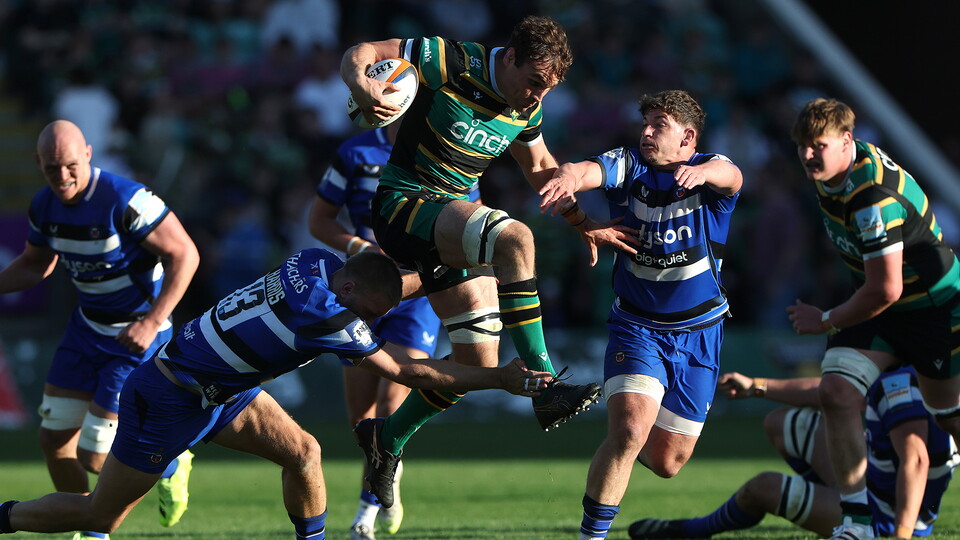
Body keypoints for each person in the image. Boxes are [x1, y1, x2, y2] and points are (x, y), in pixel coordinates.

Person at [0, 249, 552, 538]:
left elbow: (381, 280)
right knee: (100, 517)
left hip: (221, 389)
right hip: (167, 397)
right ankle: (5, 516)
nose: (365, 324)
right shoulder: (327, 316)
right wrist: (498, 377)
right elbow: (410, 373)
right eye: (365, 314)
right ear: (350, 292)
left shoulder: (317, 264)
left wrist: (456, 266)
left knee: (305, 453)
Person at [341, 15, 604, 507]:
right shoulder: (453, 60)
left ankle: (386, 440)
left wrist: (582, 221)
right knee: (516, 239)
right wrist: (360, 83)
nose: (536, 98)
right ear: (509, 59)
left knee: (476, 365)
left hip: (448, 227)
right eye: (533, 83)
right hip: (405, 205)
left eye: (547, 90)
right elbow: (363, 51)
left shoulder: (528, 108)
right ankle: (546, 383)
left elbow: (542, 169)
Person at [538, 89, 743, 540]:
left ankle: (626, 444)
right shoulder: (629, 165)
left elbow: (732, 175)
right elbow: (588, 168)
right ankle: (592, 535)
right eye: (645, 123)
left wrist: (703, 171)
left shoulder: (708, 174)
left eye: (660, 124)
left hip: (700, 334)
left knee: (668, 462)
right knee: (630, 429)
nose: (647, 132)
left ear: (688, 137)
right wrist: (569, 178)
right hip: (638, 328)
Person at [0, 120, 200, 539]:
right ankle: (89, 529)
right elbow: (37, 265)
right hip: (85, 331)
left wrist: (150, 322)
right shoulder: (44, 206)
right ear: (38, 163)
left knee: (95, 456)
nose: (63, 176)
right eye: (52, 168)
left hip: (136, 335)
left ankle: (172, 460)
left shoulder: (126, 199)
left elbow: (186, 254)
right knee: (54, 441)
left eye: (71, 165)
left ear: (88, 154)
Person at [786, 98, 960, 540]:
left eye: (818, 145)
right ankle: (858, 524)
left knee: (949, 419)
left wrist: (825, 320)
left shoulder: (872, 197)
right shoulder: (832, 168)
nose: (809, 154)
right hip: (879, 303)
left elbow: (887, 289)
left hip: (931, 308)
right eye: (802, 146)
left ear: (847, 141)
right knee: (837, 392)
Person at [308, 122, 471, 539]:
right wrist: (362, 250)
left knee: (391, 398)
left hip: (415, 294)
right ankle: (387, 473)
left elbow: (472, 227)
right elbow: (319, 220)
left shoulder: (448, 148)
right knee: (359, 420)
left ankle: (368, 509)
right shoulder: (356, 152)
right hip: (360, 290)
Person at [628, 368, 959, 539]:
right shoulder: (918, 364)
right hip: (879, 480)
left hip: (890, 513)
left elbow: (916, 458)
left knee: (762, 488)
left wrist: (901, 534)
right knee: (782, 424)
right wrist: (757, 385)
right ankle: (833, 503)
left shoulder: (901, 377)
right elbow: (835, 392)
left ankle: (693, 530)